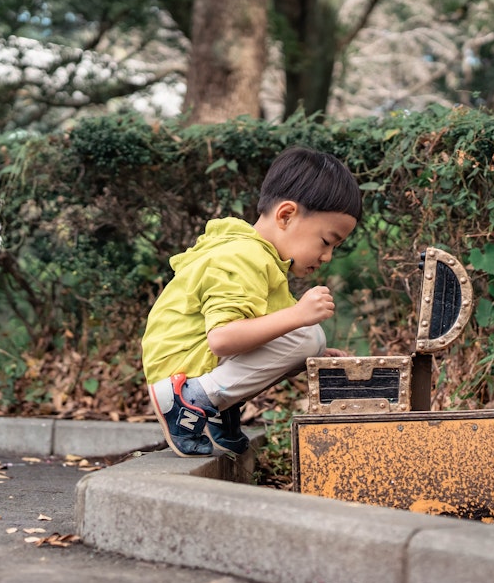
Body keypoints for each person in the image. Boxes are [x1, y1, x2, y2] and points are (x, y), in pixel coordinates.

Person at [142, 147, 362, 457]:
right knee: (307, 334)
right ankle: (190, 400)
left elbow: (271, 337)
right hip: (180, 363)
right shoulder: (244, 256)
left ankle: (217, 409)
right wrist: (299, 316)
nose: (327, 256)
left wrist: (313, 354)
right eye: (326, 241)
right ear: (286, 215)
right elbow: (222, 338)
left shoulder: (263, 259)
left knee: (308, 342)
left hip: (191, 357)